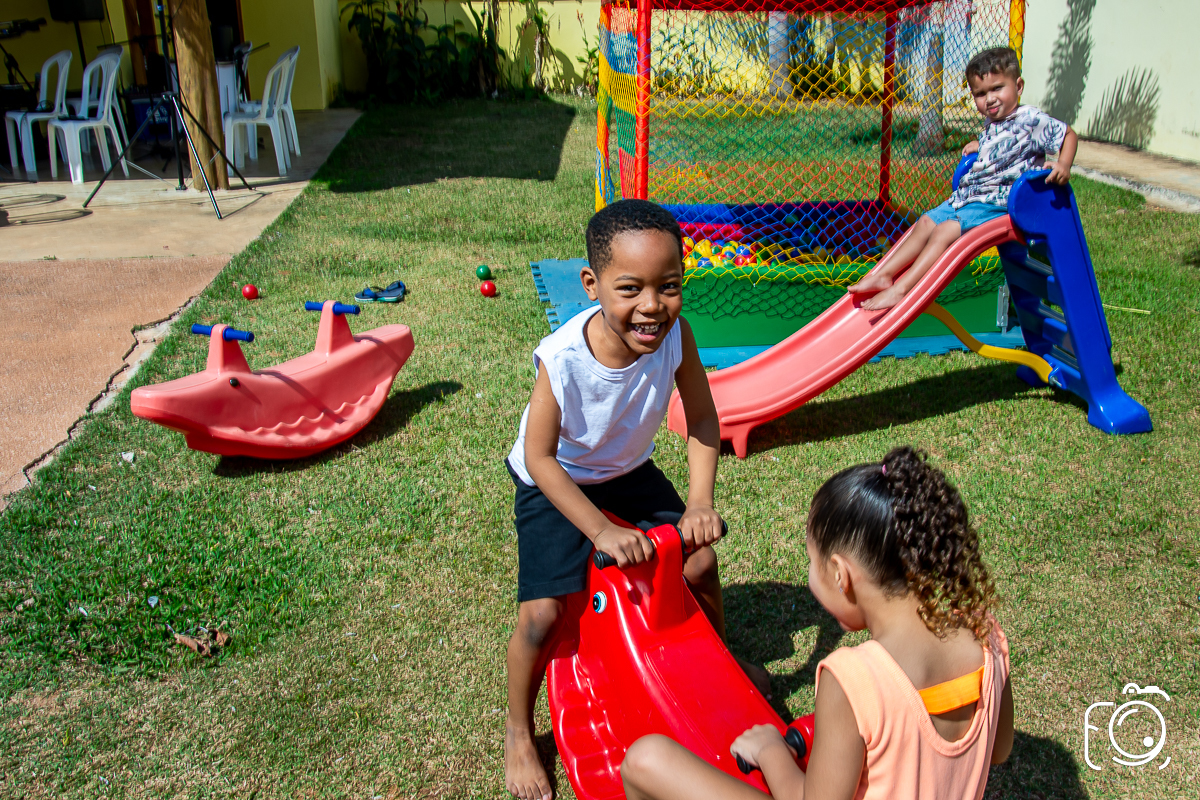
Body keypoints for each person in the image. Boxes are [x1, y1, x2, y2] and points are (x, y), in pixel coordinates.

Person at [504, 199, 770, 800]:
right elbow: (541, 457)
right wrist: (598, 530)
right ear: (592, 285)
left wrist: (699, 500)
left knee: (698, 560)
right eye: (631, 289)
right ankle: (519, 731)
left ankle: (723, 669)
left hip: (628, 469)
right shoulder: (563, 358)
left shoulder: (677, 336)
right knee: (543, 615)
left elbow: (701, 415)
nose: (652, 306)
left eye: (669, 286)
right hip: (558, 478)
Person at [620, 446, 1014, 800]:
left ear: (841, 575)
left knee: (645, 760)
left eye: (812, 562)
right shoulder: (985, 635)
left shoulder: (855, 678)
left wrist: (770, 750)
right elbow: (999, 749)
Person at [849, 45, 1077, 310]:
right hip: (970, 196)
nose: (989, 99)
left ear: (1019, 86)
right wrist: (980, 145)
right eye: (980, 94)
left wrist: (1063, 164)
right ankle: (883, 275)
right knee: (925, 221)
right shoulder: (993, 122)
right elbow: (1005, 148)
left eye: (997, 88)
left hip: (998, 204)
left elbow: (1068, 134)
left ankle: (901, 289)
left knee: (944, 231)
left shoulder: (1030, 119)